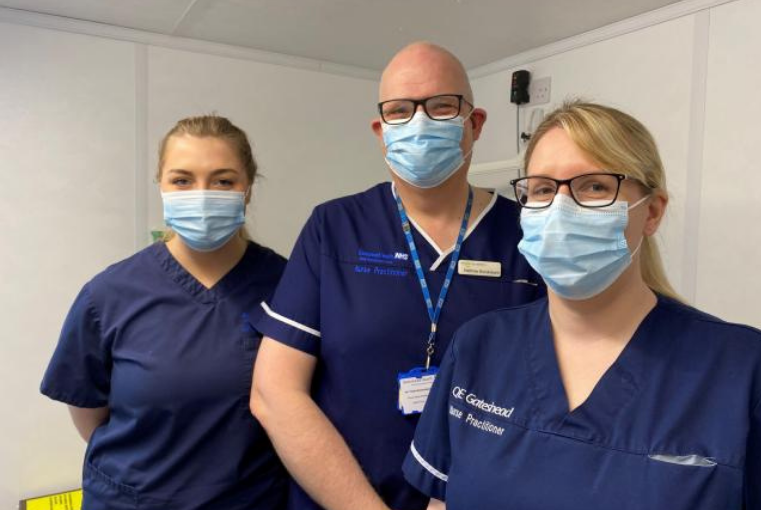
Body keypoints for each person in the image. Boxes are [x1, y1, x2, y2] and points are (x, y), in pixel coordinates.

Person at [402, 101, 761, 510]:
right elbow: (441, 502)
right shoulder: (478, 347)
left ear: (652, 212)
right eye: (541, 189)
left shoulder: (743, 371)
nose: (560, 208)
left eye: (594, 186)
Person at [250, 42, 545, 510]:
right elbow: (274, 392)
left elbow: (554, 390)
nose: (420, 123)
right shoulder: (335, 227)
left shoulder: (528, 233)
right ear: (380, 130)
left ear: (476, 122)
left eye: (442, 106)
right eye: (401, 111)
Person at [41, 115, 288, 510]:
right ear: (161, 184)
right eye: (182, 180)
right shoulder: (109, 295)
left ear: (248, 189)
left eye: (223, 181)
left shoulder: (289, 287)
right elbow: (89, 416)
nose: (202, 194)